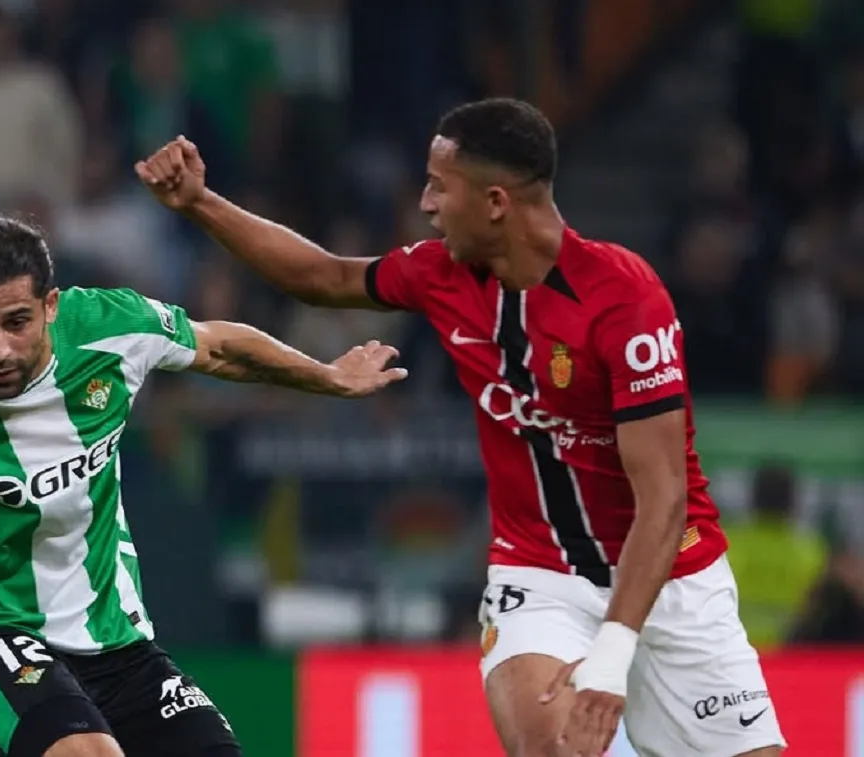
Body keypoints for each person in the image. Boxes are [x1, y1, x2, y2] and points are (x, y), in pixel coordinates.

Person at [135, 98, 787, 757]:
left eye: (440, 185)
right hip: (542, 574)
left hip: (674, 574)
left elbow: (664, 499)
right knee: (554, 746)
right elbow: (323, 276)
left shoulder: (625, 300)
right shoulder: (440, 275)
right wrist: (199, 203)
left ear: (497, 203)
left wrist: (615, 654)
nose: (425, 203)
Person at [0, 213, 407, 757]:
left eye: (17, 322)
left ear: (51, 306)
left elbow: (216, 347)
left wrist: (325, 376)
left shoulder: (111, 329)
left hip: (117, 638)